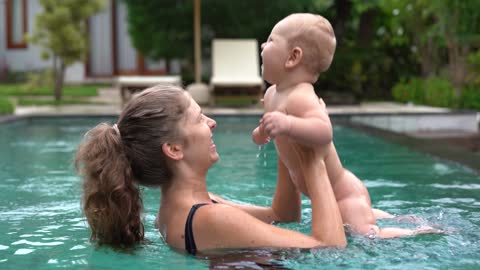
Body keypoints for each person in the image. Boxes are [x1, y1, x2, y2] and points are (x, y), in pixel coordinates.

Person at [213, 13, 440, 238]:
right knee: (355, 221)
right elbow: (262, 133)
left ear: (293, 57)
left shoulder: (301, 96)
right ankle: (385, 215)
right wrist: (261, 132)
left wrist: (288, 123)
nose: (263, 45)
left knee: (367, 235)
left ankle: (416, 231)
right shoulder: (272, 94)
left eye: (271, 40)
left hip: (342, 195)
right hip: (326, 196)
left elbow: (324, 131)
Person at [75, 85, 346, 254]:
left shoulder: (183, 210)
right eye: (199, 118)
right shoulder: (210, 219)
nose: (212, 122)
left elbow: (282, 215)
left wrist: (286, 142)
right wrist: (314, 160)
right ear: (174, 149)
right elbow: (330, 249)